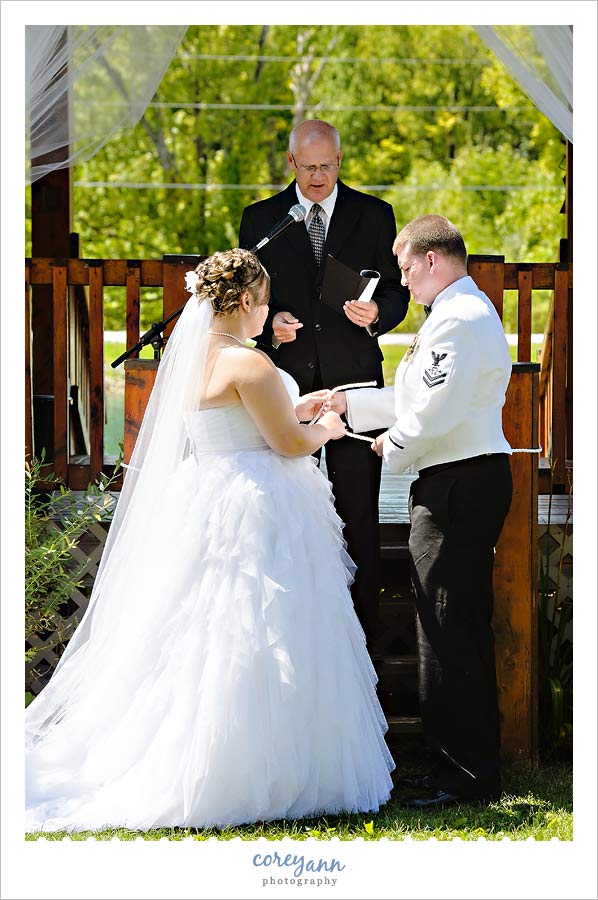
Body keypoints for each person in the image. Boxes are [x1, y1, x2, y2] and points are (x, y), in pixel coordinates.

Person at [25, 249, 395, 833]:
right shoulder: (250, 365)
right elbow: (289, 445)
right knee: (263, 625)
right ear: (246, 301)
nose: (268, 311)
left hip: (207, 495)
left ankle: (191, 751)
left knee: (198, 627)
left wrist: (293, 407)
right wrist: (324, 426)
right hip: (260, 502)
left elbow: (242, 419)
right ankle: (256, 767)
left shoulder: (193, 357)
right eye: (265, 301)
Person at [330, 215, 513, 808]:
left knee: (447, 629)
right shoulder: (453, 314)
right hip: (455, 479)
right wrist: (345, 404)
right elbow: (413, 396)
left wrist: (395, 444)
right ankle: (458, 766)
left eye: (406, 270)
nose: (402, 284)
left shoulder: (461, 319)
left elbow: (433, 410)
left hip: (460, 483)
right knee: (449, 625)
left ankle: (462, 776)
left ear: (433, 261)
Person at [239, 120, 410, 648]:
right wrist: (272, 324)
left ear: (340, 161)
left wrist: (378, 311)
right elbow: (246, 296)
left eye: (328, 166)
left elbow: (401, 293)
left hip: (354, 383)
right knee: (286, 505)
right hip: (286, 386)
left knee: (358, 506)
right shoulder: (262, 219)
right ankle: (295, 626)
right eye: (309, 166)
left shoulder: (375, 215)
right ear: (291, 162)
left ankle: (363, 629)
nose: (318, 176)